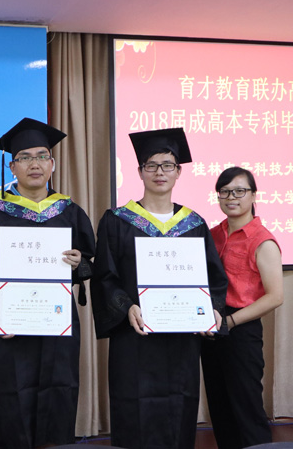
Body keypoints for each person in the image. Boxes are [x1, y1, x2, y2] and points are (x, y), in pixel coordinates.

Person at [0, 117, 96, 448]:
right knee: (11, 404)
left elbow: (91, 265)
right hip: (10, 332)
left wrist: (80, 264)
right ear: (12, 167)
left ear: (52, 164)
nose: (35, 164)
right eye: (26, 157)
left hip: (58, 329)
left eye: (42, 156)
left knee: (58, 400)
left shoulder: (70, 212)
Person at [90, 128, 228, 449]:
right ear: (140, 172)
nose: (159, 172)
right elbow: (105, 276)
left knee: (179, 408)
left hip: (181, 341)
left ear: (178, 172)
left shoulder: (194, 224)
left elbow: (214, 278)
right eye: (151, 165)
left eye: (167, 165)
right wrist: (126, 306)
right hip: (135, 339)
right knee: (133, 409)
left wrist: (213, 310)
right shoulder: (117, 221)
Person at [201, 167, 283, 449]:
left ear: (253, 195)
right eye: (224, 192)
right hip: (210, 329)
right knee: (220, 408)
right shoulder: (212, 234)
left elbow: (275, 297)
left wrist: (231, 322)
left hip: (241, 331)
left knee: (247, 409)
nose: (231, 197)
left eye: (239, 191)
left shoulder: (263, 241)